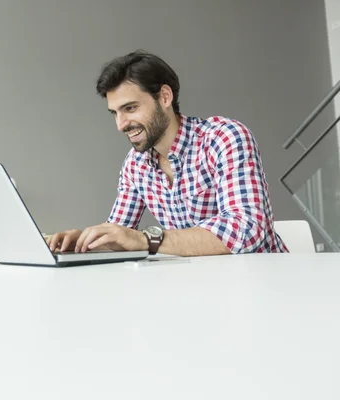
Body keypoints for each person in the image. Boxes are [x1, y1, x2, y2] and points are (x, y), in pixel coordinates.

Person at [48, 50, 288, 256]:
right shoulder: (136, 165)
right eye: (115, 113)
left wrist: (147, 239)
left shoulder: (223, 138)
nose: (121, 125)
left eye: (130, 108)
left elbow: (247, 229)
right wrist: (84, 242)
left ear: (164, 97)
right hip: (202, 289)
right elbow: (119, 234)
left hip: (263, 285)